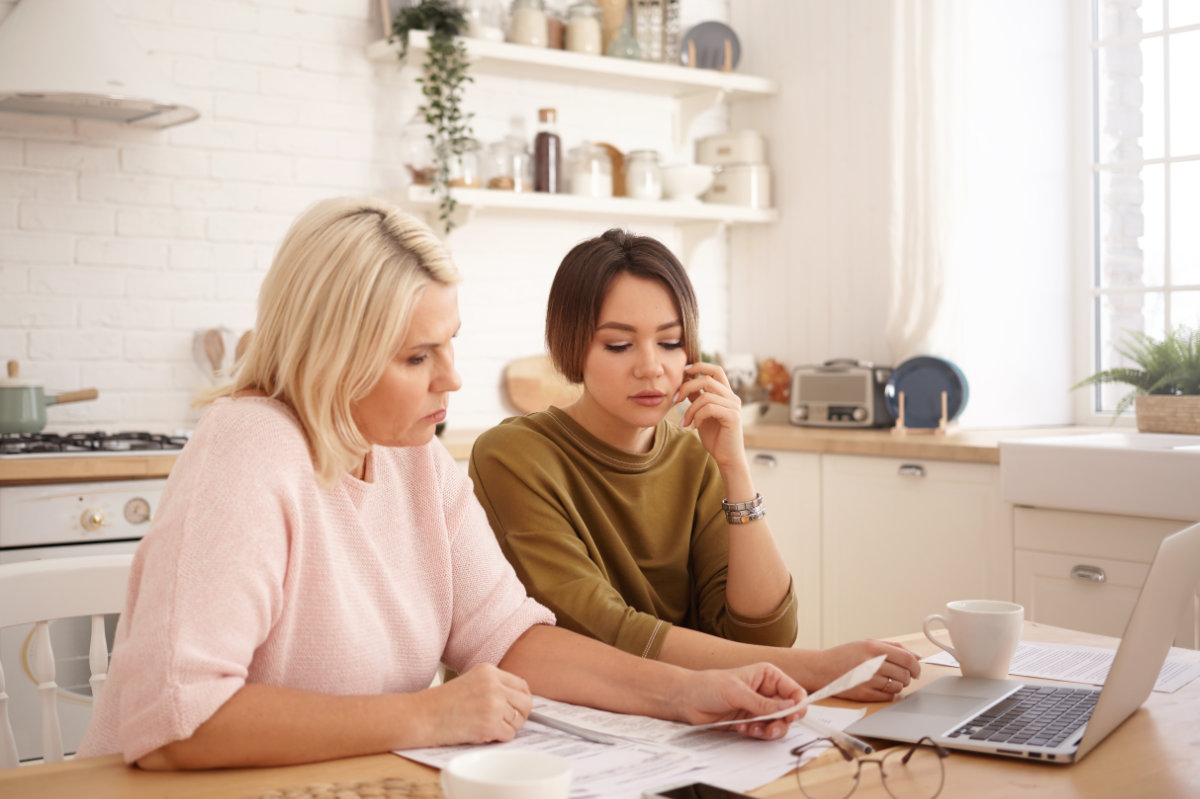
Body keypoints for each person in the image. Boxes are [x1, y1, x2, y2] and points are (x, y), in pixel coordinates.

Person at [76, 199, 807, 770]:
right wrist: (427, 714)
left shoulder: (413, 454)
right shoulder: (250, 449)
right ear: (335, 356)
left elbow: (511, 637)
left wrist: (686, 696)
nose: (452, 378)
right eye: (418, 355)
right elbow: (177, 721)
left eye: (449, 343)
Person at [469, 229, 921, 701]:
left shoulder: (695, 455)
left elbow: (764, 637)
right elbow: (602, 631)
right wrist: (818, 668)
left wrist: (735, 468)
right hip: (550, 730)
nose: (651, 367)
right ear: (572, 347)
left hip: (689, 720)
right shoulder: (513, 455)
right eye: (619, 346)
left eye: (670, 342)